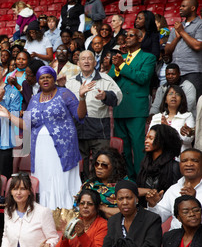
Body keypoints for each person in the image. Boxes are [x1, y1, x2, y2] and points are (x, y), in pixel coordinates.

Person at [0, 65, 91, 210]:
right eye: (42, 77)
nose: (45, 80)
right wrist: (9, 116)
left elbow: (80, 115)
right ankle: (46, 213)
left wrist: (82, 97)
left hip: (63, 149)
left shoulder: (64, 94)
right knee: (44, 181)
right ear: (38, 81)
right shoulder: (35, 99)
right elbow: (26, 125)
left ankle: (65, 213)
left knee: (60, 180)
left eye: (48, 77)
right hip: (40, 149)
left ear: (53, 79)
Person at [84, 179, 162, 247]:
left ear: (136, 199)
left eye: (128, 198)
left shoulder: (152, 219)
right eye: (120, 199)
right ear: (116, 201)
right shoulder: (113, 220)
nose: (124, 202)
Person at [66, 50, 123, 180]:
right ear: (78, 63)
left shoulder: (105, 79)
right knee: (80, 168)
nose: (86, 61)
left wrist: (105, 96)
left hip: (99, 130)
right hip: (78, 130)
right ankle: (83, 194)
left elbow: (118, 98)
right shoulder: (71, 82)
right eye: (83, 59)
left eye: (89, 59)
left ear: (95, 62)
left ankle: (100, 193)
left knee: (101, 165)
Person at [109, 28, 157, 180]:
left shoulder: (148, 57)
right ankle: (128, 179)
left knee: (138, 148)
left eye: (131, 35)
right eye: (126, 35)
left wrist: (122, 66)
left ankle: (142, 179)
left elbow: (142, 78)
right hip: (120, 108)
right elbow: (109, 79)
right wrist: (116, 67)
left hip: (136, 109)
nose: (127, 38)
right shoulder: (120, 57)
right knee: (123, 149)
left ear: (140, 39)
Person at [34, 189, 108, 247]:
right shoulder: (74, 222)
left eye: (90, 204)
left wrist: (82, 235)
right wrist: (64, 237)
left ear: (97, 207)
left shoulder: (102, 225)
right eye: (82, 203)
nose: (85, 206)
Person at [147, 148, 202, 231]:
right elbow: (158, 219)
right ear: (179, 165)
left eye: (194, 160)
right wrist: (153, 205)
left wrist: (192, 201)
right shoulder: (174, 189)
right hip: (176, 239)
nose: (189, 164)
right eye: (184, 161)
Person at [165, 0, 202, 100]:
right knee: (176, 103)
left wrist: (182, 32)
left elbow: (197, 45)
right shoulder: (178, 27)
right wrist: (177, 38)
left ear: (193, 8)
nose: (180, 8)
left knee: (192, 103)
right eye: (180, 6)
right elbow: (167, 50)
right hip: (176, 73)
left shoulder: (200, 25)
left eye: (183, 6)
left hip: (193, 72)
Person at [137, 124, 182, 208]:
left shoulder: (174, 167)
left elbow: (176, 196)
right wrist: (148, 191)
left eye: (151, 138)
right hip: (143, 210)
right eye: (146, 138)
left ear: (162, 141)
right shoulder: (145, 163)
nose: (146, 141)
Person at [78, 147, 128, 219]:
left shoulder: (124, 185)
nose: (99, 167)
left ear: (114, 166)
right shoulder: (89, 185)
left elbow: (129, 211)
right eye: (96, 164)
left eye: (104, 165)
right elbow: (77, 208)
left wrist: (102, 208)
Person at [149, 85, 195, 154]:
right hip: (160, 157)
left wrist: (168, 129)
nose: (173, 96)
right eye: (170, 93)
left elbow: (188, 140)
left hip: (180, 157)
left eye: (177, 94)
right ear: (165, 100)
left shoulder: (188, 116)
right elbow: (150, 139)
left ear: (181, 99)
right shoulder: (156, 117)